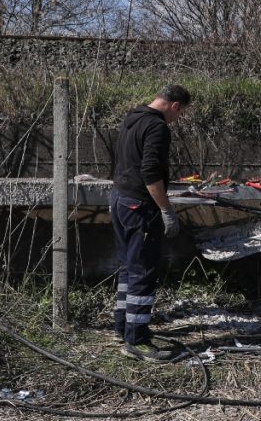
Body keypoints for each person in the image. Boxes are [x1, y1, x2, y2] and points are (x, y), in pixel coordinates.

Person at [110, 84, 191, 362]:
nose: (175, 120)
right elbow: (150, 172)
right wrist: (166, 209)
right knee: (143, 272)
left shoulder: (132, 119)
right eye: (178, 115)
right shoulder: (157, 128)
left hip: (119, 199)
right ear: (175, 106)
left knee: (129, 268)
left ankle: (123, 329)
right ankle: (138, 341)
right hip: (139, 206)